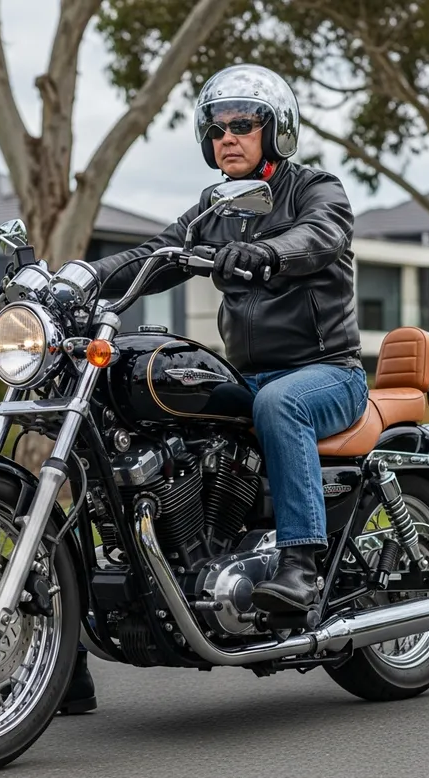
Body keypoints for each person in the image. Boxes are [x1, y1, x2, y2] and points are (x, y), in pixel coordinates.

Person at [56, 64, 367, 714]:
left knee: (276, 403)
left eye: (242, 125)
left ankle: (301, 565)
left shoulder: (318, 189)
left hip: (327, 374)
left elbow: (322, 236)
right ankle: (66, 656)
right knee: (116, 430)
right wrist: (81, 276)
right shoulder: (216, 207)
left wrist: (271, 253)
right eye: (218, 128)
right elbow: (158, 254)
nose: (228, 137)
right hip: (250, 377)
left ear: (274, 130)